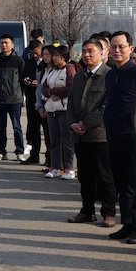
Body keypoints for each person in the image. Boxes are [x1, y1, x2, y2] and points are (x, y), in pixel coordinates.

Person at [104, 31, 136, 243]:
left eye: (121, 46)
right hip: (114, 136)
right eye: (113, 47)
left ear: (131, 49)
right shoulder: (110, 75)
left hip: (134, 136)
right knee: (122, 184)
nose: (117, 50)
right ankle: (128, 223)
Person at [67, 39, 117, 228]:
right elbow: (71, 103)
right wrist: (73, 123)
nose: (87, 55)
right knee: (85, 176)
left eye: (91, 51)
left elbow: (107, 106)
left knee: (105, 175)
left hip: (100, 135)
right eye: (84, 51)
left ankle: (109, 212)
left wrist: (86, 124)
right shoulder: (79, 77)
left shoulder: (109, 75)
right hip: (80, 135)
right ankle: (87, 211)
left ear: (103, 53)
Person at [40, 44, 76, 179]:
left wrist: (55, 92)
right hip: (52, 110)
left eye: (57, 55)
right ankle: (55, 167)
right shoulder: (51, 71)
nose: (54, 58)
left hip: (64, 110)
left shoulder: (69, 70)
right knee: (54, 141)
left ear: (64, 57)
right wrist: (50, 93)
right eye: (53, 55)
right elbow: (44, 87)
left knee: (67, 140)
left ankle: (69, 168)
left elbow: (70, 88)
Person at [0, 35, 26, 160]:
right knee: (1, 127)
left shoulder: (19, 61)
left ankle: (19, 151)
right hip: (0, 98)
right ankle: (1, 151)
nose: (4, 45)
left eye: (6, 43)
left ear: (12, 45)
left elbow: (22, 80)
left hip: (14, 99)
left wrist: (20, 95)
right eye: (2, 43)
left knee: (16, 126)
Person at [21, 36, 45, 165]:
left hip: (44, 101)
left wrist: (39, 83)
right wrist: (26, 81)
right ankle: (34, 155)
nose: (35, 55)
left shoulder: (46, 63)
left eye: (37, 52)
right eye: (32, 53)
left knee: (46, 131)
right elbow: (23, 77)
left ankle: (49, 158)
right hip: (31, 99)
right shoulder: (29, 63)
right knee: (33, 128)